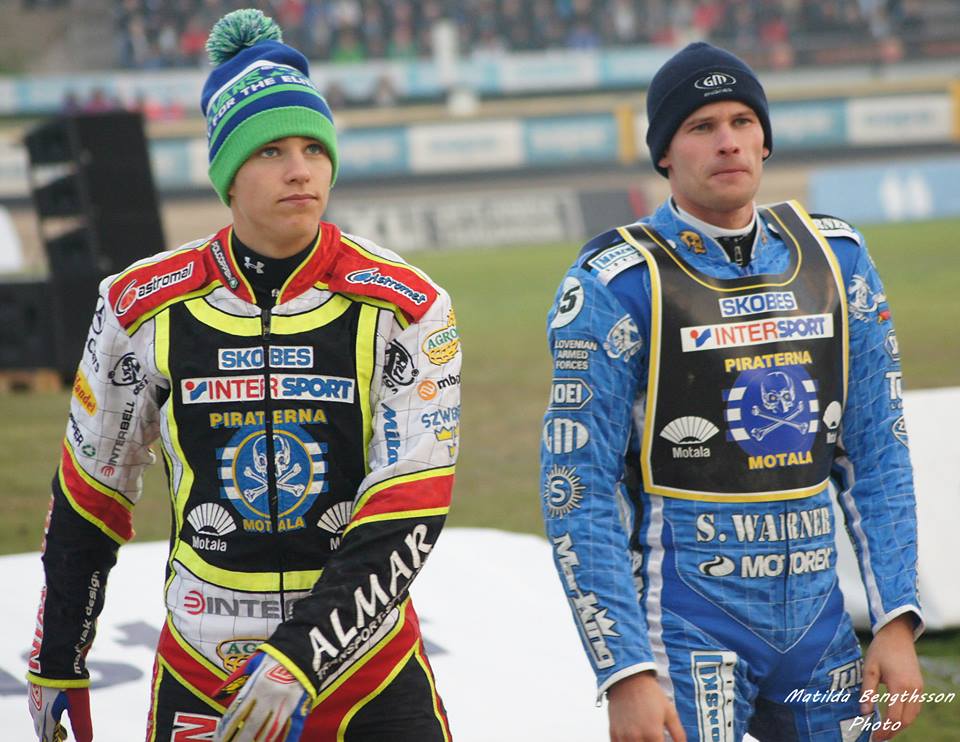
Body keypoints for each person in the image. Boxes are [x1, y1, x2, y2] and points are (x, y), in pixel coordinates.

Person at [27, 9, 460, 742]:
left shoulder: (406, 304)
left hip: (366, 669)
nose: (300, 170)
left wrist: (299, 658)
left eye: (314, 148)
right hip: (206, 667)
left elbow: (410, 505)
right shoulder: (139, 304)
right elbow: (91, 494)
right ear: (227, 175)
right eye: (270, 151)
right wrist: (58, 658)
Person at [540, 42, 922, 742]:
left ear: (765, 140)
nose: (728, 142)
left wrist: (896, 617)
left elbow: (878, 450)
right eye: (701, 126)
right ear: (664, 152)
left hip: (819, 629)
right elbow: (577, 487)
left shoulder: (838, 260)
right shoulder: (613, 281)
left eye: (743, 121)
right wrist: (625, 669)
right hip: (684, 629)